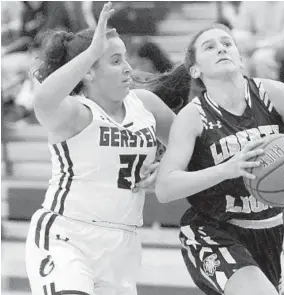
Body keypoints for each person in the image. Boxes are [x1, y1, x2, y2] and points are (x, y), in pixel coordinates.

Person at [153, 23, 284, 295]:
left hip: (269, 230)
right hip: (212, 230)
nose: (221, 48)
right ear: (195, 70)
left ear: (240, 58)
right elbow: (165, 188)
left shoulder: (275, 94)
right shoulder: (193, 117)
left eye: (227, 43)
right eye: (210, 46)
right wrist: (227, 169)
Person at [25, 3, 175, 295]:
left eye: (126, 59)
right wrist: (93, 51)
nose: (129, 68)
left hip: (123, 243)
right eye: (116, 61)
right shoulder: (74, 112)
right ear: (89, 72)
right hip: (66, 235)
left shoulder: (145, 105)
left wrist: (165, 166)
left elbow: (189, 145)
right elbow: (42, 101)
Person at [231, 1, 284, 80]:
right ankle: (247, 91)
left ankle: (268, 91)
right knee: (238, 57)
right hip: (257, 45)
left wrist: (258, 45)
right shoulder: (250, 2)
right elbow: (240, 30)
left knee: (261, 58)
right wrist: (245, 42)